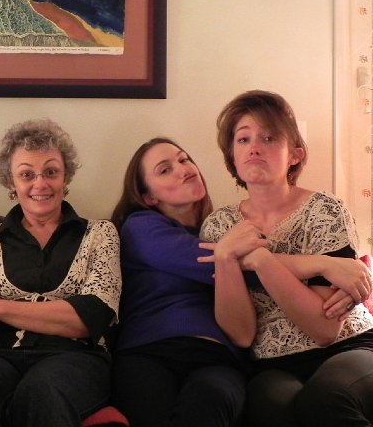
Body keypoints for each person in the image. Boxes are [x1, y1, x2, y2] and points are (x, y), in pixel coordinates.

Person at [0, 118, 121, 427]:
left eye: (51, 172)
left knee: (44, 391)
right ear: (11, 182)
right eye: (27, 174)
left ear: (66, 176)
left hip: (73, 357)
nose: (40, 184)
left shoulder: (100, 234)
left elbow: (91, 316)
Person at [200, 90, 373, 426]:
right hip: (273, 363)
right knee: (273, 408)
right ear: (232, 156)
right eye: (243, 139)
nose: (254, 147)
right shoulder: (219, 227)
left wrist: (260, 259)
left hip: (349, 346)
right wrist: (225, 255)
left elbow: (324, 328)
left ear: (295, 154)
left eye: (269, 137)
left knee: (326, 399)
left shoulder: (325, 210)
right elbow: (241, 334)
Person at [109, 137, 250, 427]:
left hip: (216, 357)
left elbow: (252, 269)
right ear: (149, 197)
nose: (184, 169)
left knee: (210, 397)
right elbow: (222, 265)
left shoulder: (225, 231)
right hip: (149, 351)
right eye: (165, 169)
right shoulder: (140, 227)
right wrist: (318, 266)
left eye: (184, 159)